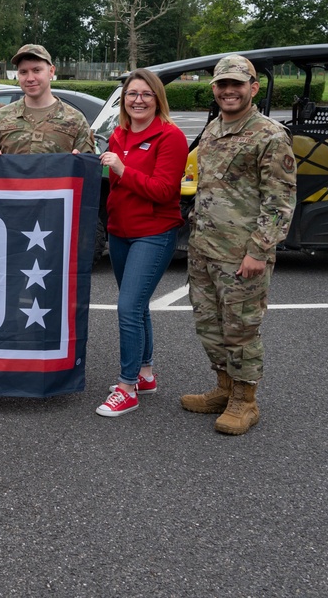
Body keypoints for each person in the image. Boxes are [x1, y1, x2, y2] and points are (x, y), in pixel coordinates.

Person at [181, 54, 296, 435]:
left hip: (241, 254)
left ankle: (245, 402)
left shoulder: (269, 134)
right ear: (214, 89)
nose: (229, 91)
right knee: (209, 324)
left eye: (237, 84)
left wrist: (258, 251)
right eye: (222, 84)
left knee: (241, 329)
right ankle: (223, 388)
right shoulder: (214, 129)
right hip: (204, 248)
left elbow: (279, 201)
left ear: (253, 88)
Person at [94, 69, 189, 417]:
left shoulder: (170, 136)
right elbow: (112, 179)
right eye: (132, 93)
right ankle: (145, 373)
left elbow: (165, 191)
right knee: (137, 306)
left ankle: (127, 386)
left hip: (153, 232)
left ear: (157, 98)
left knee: (128, 307)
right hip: (120, 230)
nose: (138, 100)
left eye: (146, 94)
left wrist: (121, 168)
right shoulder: (119, 133)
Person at [0, 44, 94, 155]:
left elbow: (88, 169)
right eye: (23, 72)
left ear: (51, 71)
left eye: (37, 70)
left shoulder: (76, 121)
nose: (30, 78)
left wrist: (80, 162)